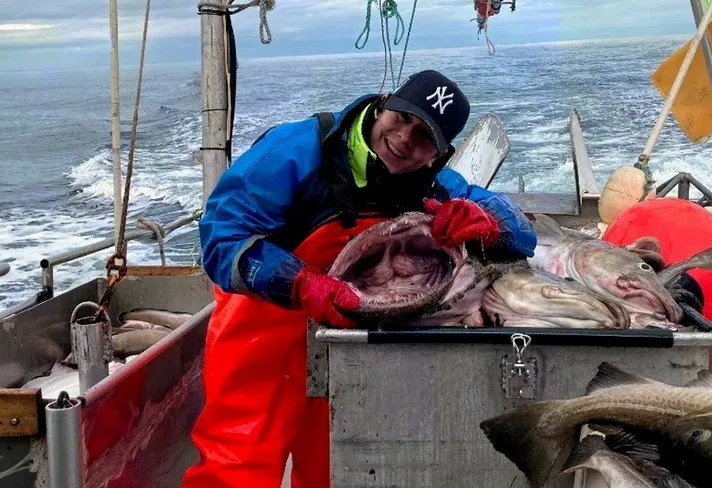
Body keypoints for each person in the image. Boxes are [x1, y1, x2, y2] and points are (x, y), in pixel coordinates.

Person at [182, 69, 536, 488]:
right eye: (402, 118)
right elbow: (222, 238)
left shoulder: (435, 184)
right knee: (236, 465)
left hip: (348, 344)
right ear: (384, 103)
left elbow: (523, 233)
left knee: (337, 465)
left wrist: (489, 221)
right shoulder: (296, 151)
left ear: (438, 156)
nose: (405, 138)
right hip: (260, 335)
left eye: (424, 137)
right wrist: (299, 284)